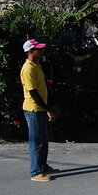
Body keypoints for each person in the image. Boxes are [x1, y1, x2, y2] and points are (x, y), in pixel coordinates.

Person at [20, 38, 60, 182]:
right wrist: (48, 109)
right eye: (39, 49)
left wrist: (49, 106)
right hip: (33, 109)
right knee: (36, 141)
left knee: (43, 139)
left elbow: (43, 89)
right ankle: (36, 172)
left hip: (40, 108)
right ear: (31, 51)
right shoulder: (28, 68)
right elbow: (33, 93)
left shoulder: (37, 66)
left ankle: (42, 166)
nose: (42, 52)